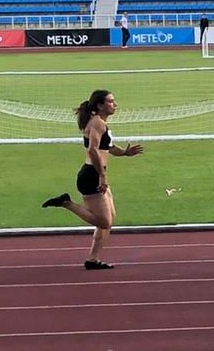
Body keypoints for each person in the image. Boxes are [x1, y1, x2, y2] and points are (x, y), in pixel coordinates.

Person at [41, 90, 144, 270]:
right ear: (100, 105)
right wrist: (102, 176)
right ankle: (66, 202)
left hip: (96, 173)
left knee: (109, 220)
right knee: (104, 222)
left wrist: (125, 153)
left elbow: (108, 147)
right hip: (92, 176)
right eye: (111, 101)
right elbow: (93, 150)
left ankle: (93, 259)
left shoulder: (101, 122)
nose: (115, 104)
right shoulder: (97, 123)